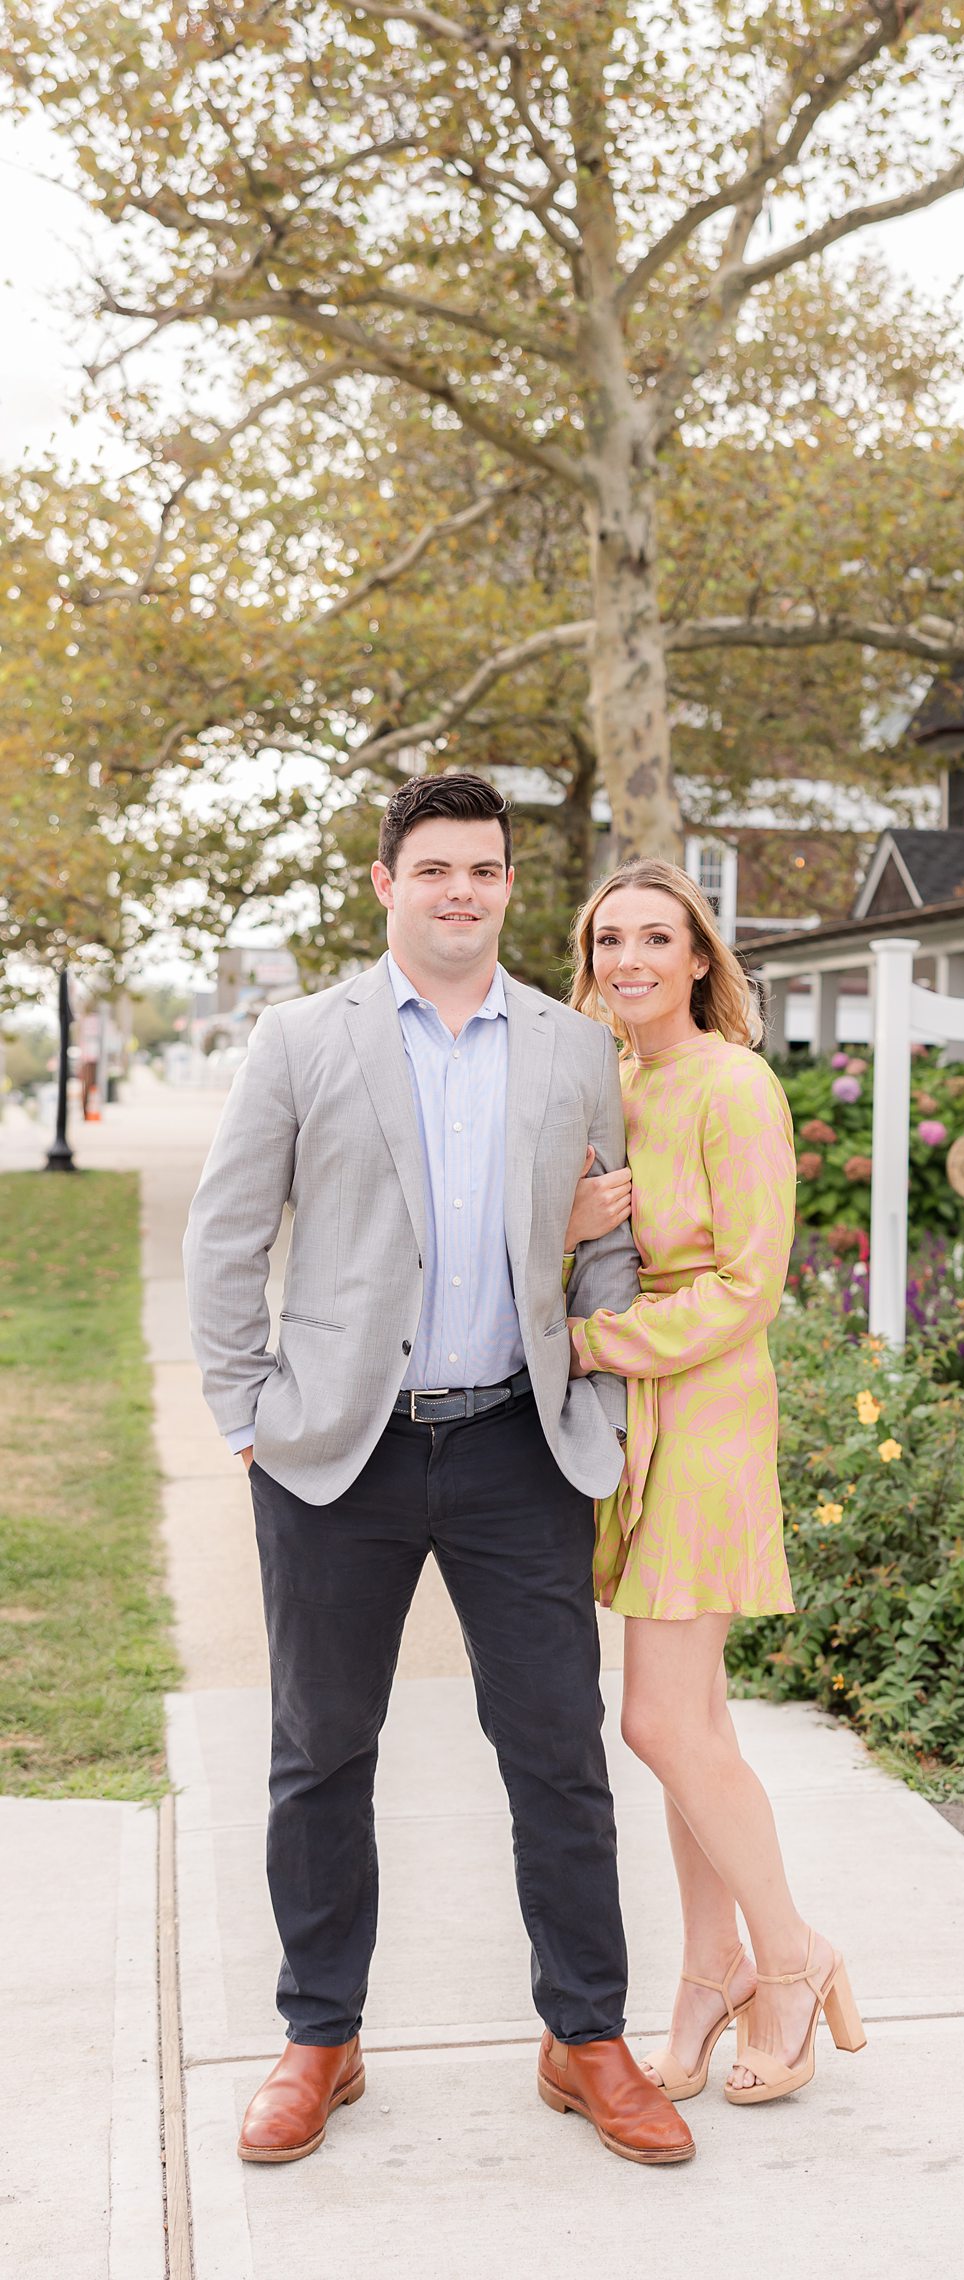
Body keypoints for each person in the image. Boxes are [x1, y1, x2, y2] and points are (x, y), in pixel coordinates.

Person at [183, 773, 694, 2170]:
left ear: (509, 887)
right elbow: (227, 1238)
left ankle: (588, 2036)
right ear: (386, 883)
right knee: (319, 1753)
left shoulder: (571, 1048)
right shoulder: (302, 1037)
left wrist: (588, 1386)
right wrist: (247, 1408)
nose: (461, 890)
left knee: (556, 1755)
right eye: (435, 869)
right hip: (334, 1456)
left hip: (518, 1447)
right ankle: (321, 2035)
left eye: (484, 869)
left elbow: (602, 1247)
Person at [563, 859, 866, 2105]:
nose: (630, 959)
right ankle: (708, 1971)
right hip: (630, 1420)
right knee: (695, 1727)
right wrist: (571, 1239)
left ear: (700, 961)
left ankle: (790, 1959)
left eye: (656, 939)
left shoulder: (735, 1087)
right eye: (609, 939)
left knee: (653, 1723)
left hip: (703, 1409)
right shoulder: (607, 1082)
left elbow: (749, 1287)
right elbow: (577, 1242)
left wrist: (586, 1342)